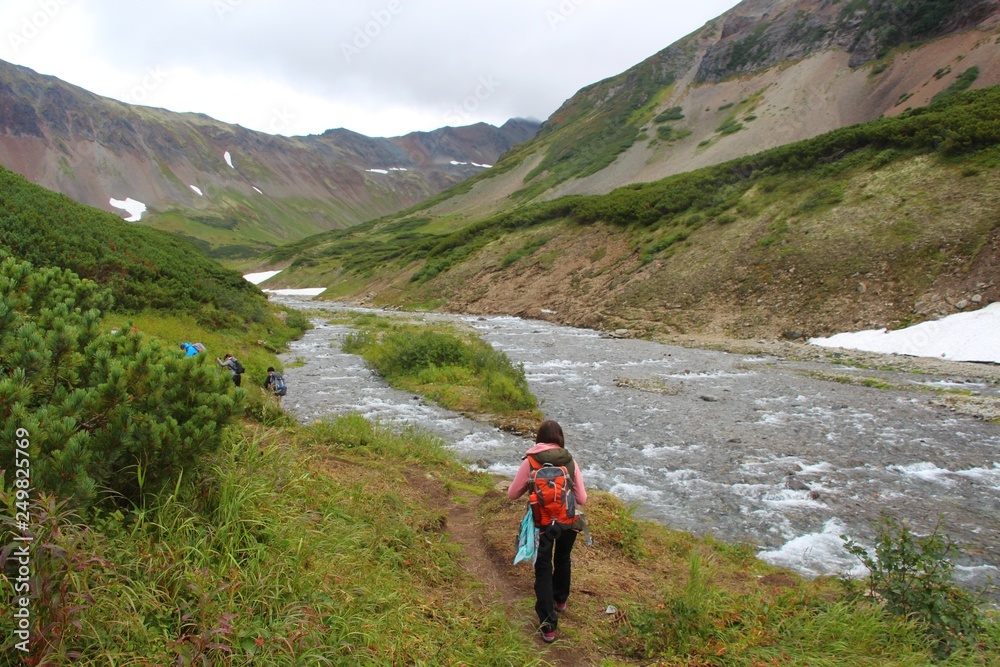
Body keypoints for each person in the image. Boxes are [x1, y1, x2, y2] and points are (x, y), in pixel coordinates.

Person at [508, 419, 587, 644]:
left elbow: (512, 494)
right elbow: (581, 498)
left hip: (542, 525)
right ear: (560, 439)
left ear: (539, 438)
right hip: (567, 522)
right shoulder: (570, 461)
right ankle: (560, 601)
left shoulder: (531, 460)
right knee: (563, 559)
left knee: (543, 568)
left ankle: (548, 626)